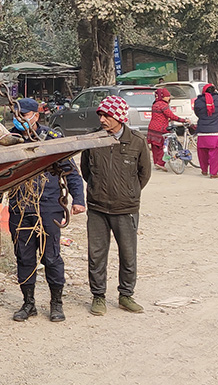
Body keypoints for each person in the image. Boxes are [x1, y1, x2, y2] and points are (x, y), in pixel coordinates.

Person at [6, 98, 85, 322]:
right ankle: (28, 303)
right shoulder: (7, 140)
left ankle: (56, 303)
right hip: (20, 206)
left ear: (36, 116)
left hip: (49, 206)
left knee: (51, 256)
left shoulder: (52, 139)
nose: (20, 119)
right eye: (17, 115)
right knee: (24, 256)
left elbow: (71, 172)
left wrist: (78, 198)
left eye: (24, 115)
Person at [80, 95, 152, 316]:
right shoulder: (92, 139)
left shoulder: (137, 141)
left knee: (128, 254)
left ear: (119, 117)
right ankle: (98, 296)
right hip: (97, 208)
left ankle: (126, 295)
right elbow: (86, 171)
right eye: (100, 115)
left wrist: (128, 193)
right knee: (96, 254)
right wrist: (97, 189)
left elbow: (144, 174)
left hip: (126, 209)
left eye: (107, 116)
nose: (102, 119)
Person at [147, 88, 189, 170]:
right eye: (167, 96)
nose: (169, 98)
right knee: (164, 147)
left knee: (155, 147)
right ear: (162, 97)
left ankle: (156, 163)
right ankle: (161, 163)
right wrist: (183, 120)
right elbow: (171, 116)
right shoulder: (163, 105)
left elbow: (161, 116)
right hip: (161, 128)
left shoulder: (155, 104)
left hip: (152, 128)